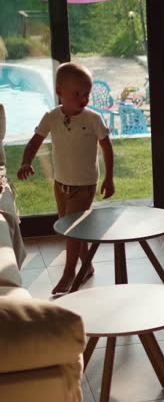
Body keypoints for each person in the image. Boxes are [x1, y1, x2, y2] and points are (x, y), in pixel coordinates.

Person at [17, 62, 115, 295]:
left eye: (87, 94)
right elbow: (34, 142)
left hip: (84, 184)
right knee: (70, 228)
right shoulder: (51, 117)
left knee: (72, 229)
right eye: (77, 93)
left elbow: (107, 147)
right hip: (61, 183)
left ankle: (69, 272)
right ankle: (87, 265)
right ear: (60, 92)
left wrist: (109, 178)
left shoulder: (92, 119)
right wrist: (25, 162)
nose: (83, 99)